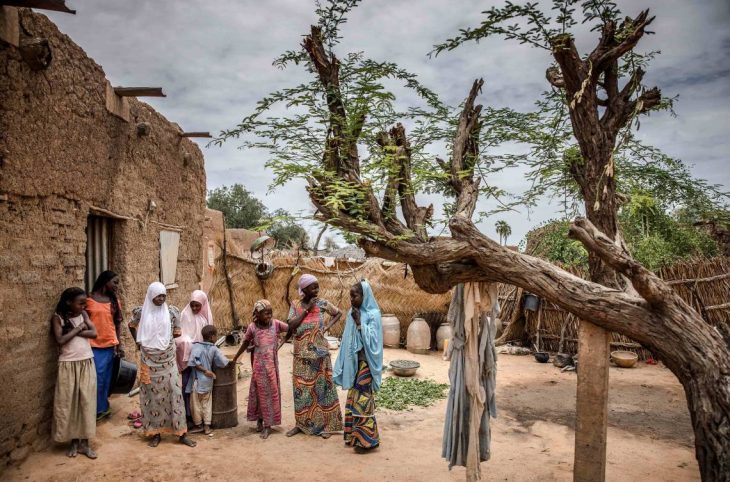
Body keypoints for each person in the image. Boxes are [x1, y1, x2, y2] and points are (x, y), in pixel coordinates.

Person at [129, 282, 195, 448]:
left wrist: (163, 342)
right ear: (151, 295)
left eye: (163, 295)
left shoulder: (172, 312)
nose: (161, 299)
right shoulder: (141, 312)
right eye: (158, 296)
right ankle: (155, 433)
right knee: (152, 397)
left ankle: (181, 433)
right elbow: (131, 325)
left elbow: (176, 333)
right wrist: (139, 342)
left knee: (175, 393)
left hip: (167, 360)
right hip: (148, 360)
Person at [282, 274, 343, 438]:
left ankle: (326, 426)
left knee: (323, 389)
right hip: (301, 355)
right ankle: (300, 425)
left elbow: (338, 313)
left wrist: (327, 327)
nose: (317, 289)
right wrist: (307, 309)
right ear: (304, 289)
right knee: (301, 390)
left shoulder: (323, 303)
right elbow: (291, 325)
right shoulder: (295, 305)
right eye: (313, 287)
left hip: (320, 355)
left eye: (317, 286)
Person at [333, 280, 383, 452]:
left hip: (366, 364)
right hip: (355, 364)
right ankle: (353, 436)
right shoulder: (352, 312)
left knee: (363, 399)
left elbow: (375, 344)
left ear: (365, 295)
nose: (351, 299)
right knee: (353, 398)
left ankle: (367, 440)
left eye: (355, 296)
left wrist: (360, 323)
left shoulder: (373, 314)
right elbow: (347, 340)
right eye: (350, 296)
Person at [51, 288, 99, 459]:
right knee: (69, 403)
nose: (84, 306)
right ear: (68, 302)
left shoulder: (84, 314)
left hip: (86, 362)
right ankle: (73, 441)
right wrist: (79, 328)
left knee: (86, 402)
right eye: (80, 303)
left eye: (85, 302)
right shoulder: (58, 318)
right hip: (67, 365)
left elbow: (94, 333)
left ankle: (85, 443)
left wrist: (73, 331)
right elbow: (60, 340)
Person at [233, 299, 288, 439]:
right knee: (260, 394)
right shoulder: (252, 327)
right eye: (265, 313)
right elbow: (245, 343)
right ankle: (260, 419)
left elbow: (290, 328)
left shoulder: (275, 324)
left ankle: (267, 425)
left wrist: (282, 342)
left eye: (270, 313)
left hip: (272, 367)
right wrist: (235, 358)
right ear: (257, 314)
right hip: (259, 367)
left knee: (270, 394)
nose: (268, 316)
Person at [87, 271, 124, 420]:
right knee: (95, 378)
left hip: (108, 344)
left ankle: (101, 408)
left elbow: (117, 323)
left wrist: (119, 344)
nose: (117, 286)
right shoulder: (88, 299)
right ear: (105, 281)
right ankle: (95, 408)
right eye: (115, 282)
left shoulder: (114, 301)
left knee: (105, 379)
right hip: (91, 344)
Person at [177, 290, 213, 420]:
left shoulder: (204, 319)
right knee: (186, 387)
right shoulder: (184, 315)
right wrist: (189, 344)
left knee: (199, 389)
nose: (194, 308)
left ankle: (199, 417)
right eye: (192, 305)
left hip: (200, 360)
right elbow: (179, 336)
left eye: (197, 305)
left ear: (203, 304)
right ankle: (187, 415)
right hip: (186, 359)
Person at [187, 325, 230, 436]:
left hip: (197, 382)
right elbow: (224, 362)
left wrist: (203, 369)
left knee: (196, 404)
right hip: (207, 381)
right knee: (207, 404)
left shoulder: (196, 347)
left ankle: (198, 425)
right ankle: (207, 427)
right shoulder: (214, 349)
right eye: (216, 336)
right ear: (212, 337)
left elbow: (192, 362)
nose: (217, 338)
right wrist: (207, 370)